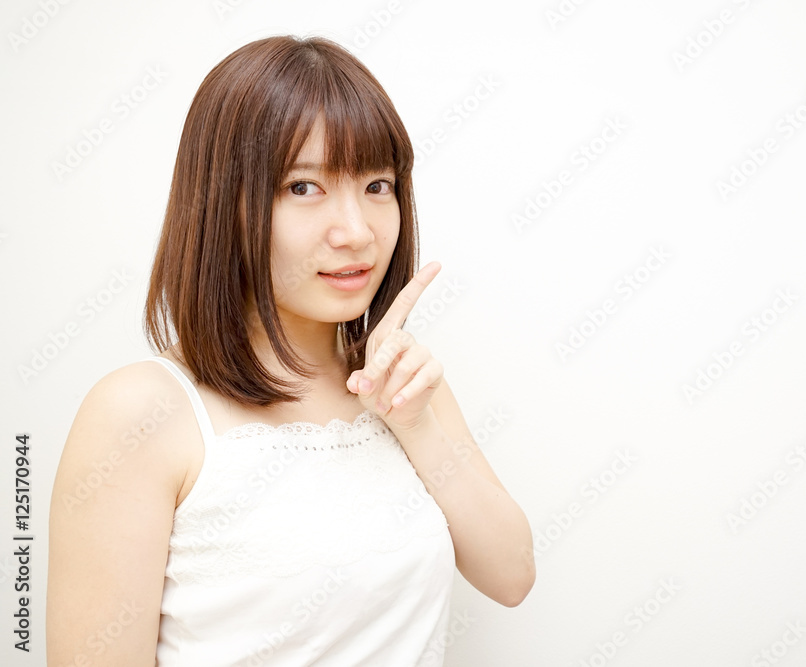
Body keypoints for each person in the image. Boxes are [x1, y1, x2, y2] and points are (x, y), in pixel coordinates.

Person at [47, 34, 535, 666]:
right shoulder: (143, 413)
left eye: (376, 184)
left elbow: (512, 576)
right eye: (304, 188)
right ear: (224, 202)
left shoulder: (402, 382)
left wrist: (416, 424)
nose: (356, 231)